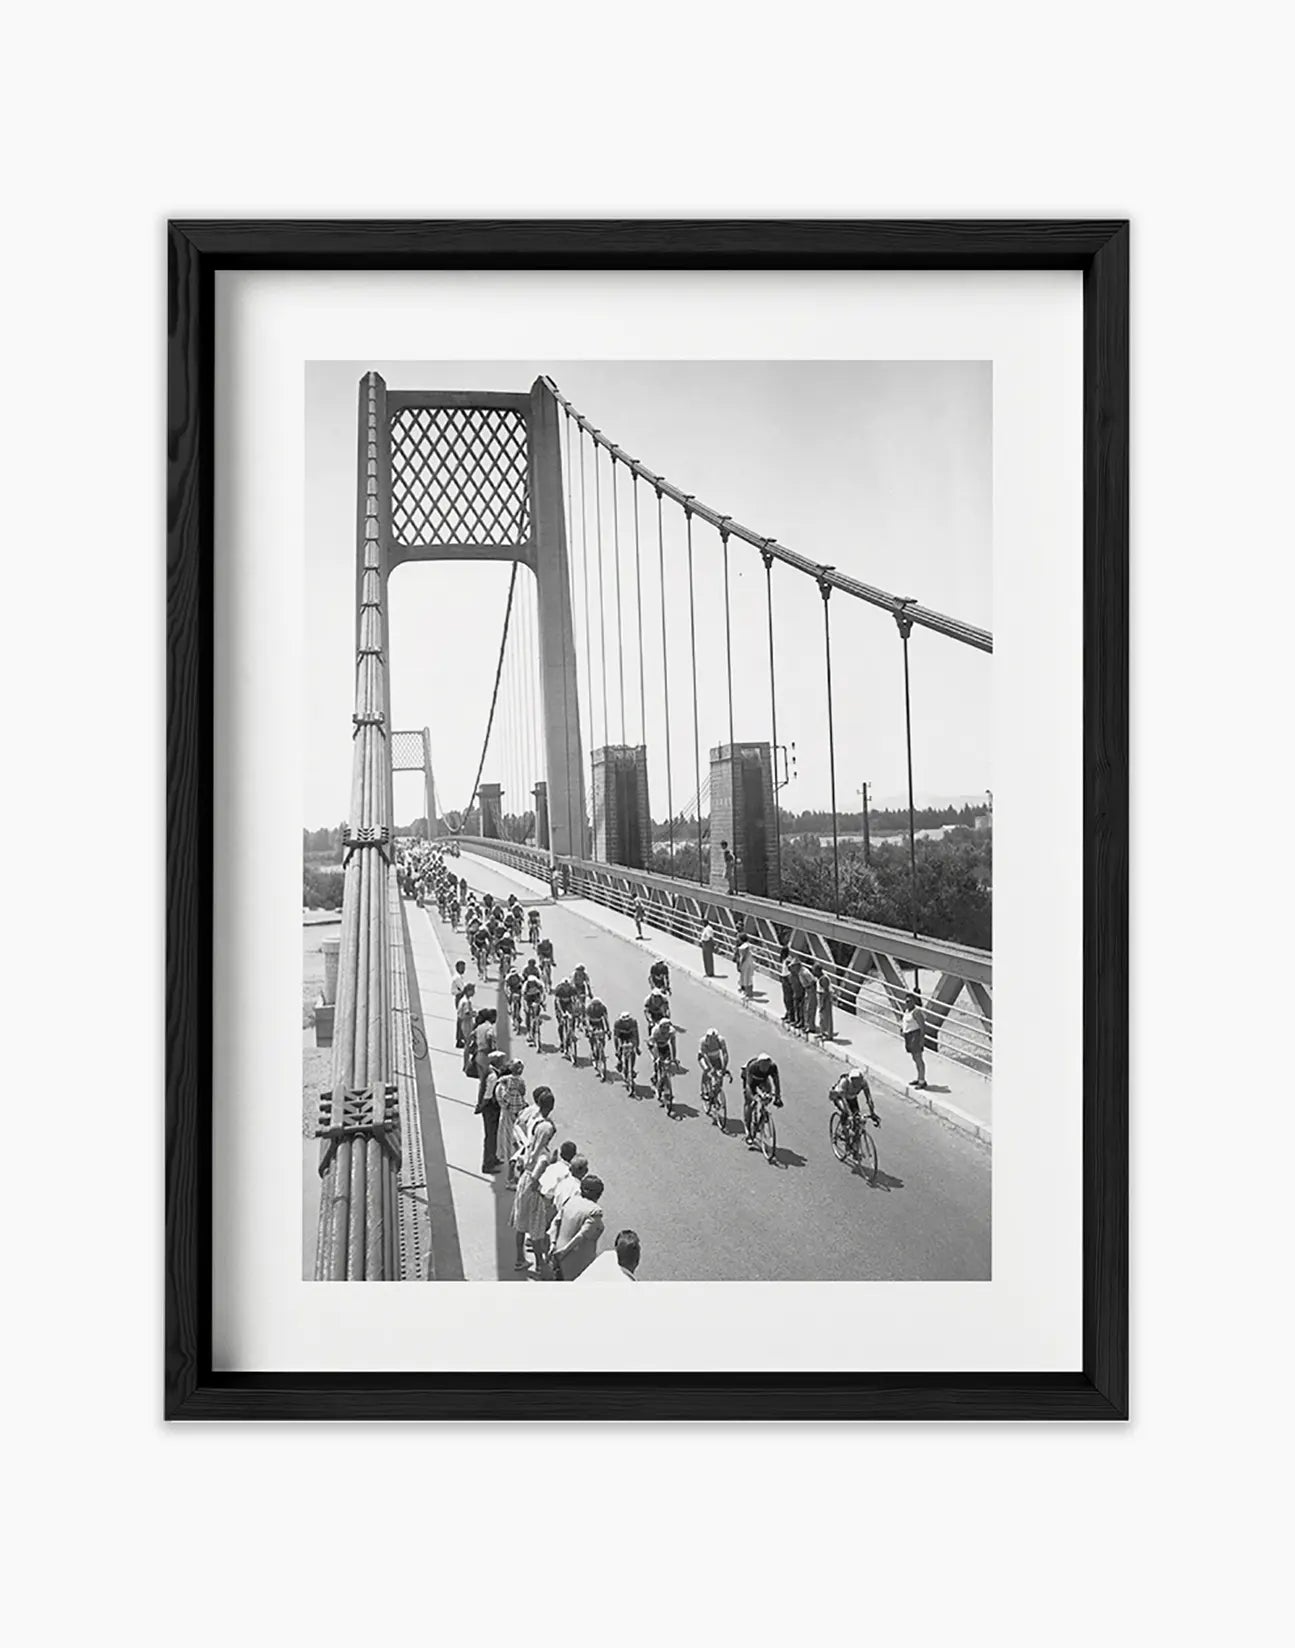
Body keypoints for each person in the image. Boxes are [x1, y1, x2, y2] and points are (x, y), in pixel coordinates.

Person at [511, 1089, 556, 1270]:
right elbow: (536, 1176)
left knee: (520, 1225)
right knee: (536, 1230)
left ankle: (520, 1259)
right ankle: (539, 1264)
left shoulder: (531, 1145)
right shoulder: (544, 1156)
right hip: (532, 1188)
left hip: (523, 1183)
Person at [549, 1172, 605, 1281]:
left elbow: (555, 1222)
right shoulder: (594, 1211)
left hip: (557, 1254)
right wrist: (564, 1252)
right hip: (578, 1263)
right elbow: (581, 1235)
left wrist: (553, 1244)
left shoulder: (571, 1201)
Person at [496, 1060, 529, 1184]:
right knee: (515, 1146)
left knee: (514, 1144)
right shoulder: (516, 1083)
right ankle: (511, 1178)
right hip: (511, 1116)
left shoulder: (504, 1083)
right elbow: (521, 1093)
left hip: (511, 1114)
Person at [474, 1050, 506, 1174]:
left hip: (490, 1108)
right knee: (490, 1136)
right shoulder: (493, 1076)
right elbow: (488, 1095)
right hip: (490, 1109)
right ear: (496, 1062)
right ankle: (487, 1164)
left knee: (493, 1135)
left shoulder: (490, 1071)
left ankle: (492, 1158)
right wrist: (482, 1106)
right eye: (501, 1061)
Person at [741, 1052, 782, 1148]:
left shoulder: (772, 1067)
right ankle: (748, 1130)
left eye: (767, 1065)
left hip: (763, 1080)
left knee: (767, 1094)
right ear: (759, 1064)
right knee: (749, 1101)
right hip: (749, 1080)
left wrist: (778, 1097)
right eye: (763, 1065)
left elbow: (776, 1082)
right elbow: (748, 1086)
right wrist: (753, 1097)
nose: (765, 1067)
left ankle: (762, 1113)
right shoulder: (753, 1066)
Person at [829, 1069, 878, 1136]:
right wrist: (850, 1114)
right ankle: (844, 1129)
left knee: (857, 1116)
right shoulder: (845, 1082)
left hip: (851, 1098)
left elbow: (869, 1099)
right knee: (846, 1112)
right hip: (839, 1097)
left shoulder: (863, 1083)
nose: (859, 1083)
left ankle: (853, 1138)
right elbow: (844, 1101)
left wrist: (872, 1113)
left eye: (860, 1080)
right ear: (852, 1079)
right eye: (857, 1080)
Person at [901, 992, 928, 1088]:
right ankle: (919, 1077)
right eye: (906, 1001)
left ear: (914, 1001)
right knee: (914, 1058)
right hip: (908, 1036)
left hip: (915, 1035)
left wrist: (921, 1040)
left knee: (918, 1058)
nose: (907, 1003)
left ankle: (922, 1080)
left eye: (910, 1001)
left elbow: (922, 1026)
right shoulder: (907, 1011)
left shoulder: (916, 1012)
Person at [613, 1010, 640, 1082]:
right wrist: (617, 1049)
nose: (626, 1022)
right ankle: (619, 1061)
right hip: (621, 1036)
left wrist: (637, 1047)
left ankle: (631, 1068)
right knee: (620, 1049)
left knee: (633, 1052)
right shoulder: (617, 1023)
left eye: (627, 1021)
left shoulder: (633, 1022)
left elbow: (636, 1034)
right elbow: (616, 1037)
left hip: (630, 1035)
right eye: (624, 1021)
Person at [552, 974, 577, 1044]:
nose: (566, 988)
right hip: (560, 1005)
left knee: (573, 1018)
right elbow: (557, 1002)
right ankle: (561, 1041)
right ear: (562, 985)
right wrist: (562, 1013)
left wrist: (575, 1010)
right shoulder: (559, 989)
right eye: (564, 986)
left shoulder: (572, 989)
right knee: (561, 1024)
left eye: (567, 986)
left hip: (568, 1003)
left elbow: (574, 1000)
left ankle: (572, 1032)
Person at [457, 986, 478, 1072]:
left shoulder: (463, 1000)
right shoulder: (467, 1002)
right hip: (467, 1024)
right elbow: (466, 1014)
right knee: (467, 1045)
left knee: (467, 1044)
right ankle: (466, 1065)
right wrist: (474, 1015)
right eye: (472, 990)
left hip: (464, 1024)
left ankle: (466, 1064)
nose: (474, 992)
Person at [522, 968, 545, 1040]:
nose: (531, 984)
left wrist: (541, 1002)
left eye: (533, 982)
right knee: (528, 1013)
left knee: (537, 1008)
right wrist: (527, 1006)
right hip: (527, 998)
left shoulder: (539, 985)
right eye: (530, 982)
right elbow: (524, 996)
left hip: (536, 996)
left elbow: (543, 994)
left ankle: (537, 1018)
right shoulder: (525, 986)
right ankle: (529, 1031)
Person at [815, 965, 834, 1040]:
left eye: (815, 970)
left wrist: (822, 1003)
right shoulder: (819, 977)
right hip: (820, 996)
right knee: (821, 1016)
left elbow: (826, 992)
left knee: (827, 1017)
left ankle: (829, 1035)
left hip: (824, 998)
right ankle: (822, 1032)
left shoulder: (824, 979)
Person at [789, 957, 807, 1032]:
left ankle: (802, 1022)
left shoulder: (801, 973)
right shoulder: (792, 976)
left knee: (801, 1009)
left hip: (801, 993)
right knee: (796, 1007)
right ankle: (797, 1020)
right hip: (796, 993)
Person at [779, 946, 795, 1023]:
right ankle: (788, 1013)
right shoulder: (785, 960)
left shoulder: (788, 960)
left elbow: (790, 972)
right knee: (786, 999)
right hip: (784, 978)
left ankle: (791, 1016)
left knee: (789, 999)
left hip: (787, 980)